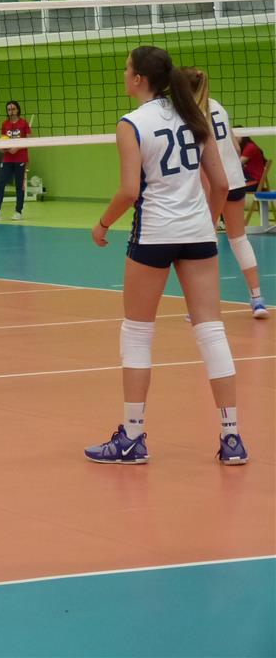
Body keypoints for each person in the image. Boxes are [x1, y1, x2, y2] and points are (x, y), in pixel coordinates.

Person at [87, 46, 248, 466]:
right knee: (211, 330)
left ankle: (132, 438)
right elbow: (221, 184)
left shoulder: (131, 124)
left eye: (127, 69)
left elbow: (129, 191)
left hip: (155, 234)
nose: (124, 74)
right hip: (198, 235)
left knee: (137, 333)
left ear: (139, 78)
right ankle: (232, 437)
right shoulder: (194, 116)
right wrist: (206, 224)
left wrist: (102, 224)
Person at [184, 68, 267, 319]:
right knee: (238, 239)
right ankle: (257, 300)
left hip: (213, 183)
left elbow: (200, 160)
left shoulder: (189, 114)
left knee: (204, 244)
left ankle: (202, 308)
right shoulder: (216, 106)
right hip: (234, 179)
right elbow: (234, 146)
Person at [0, 100, 30, 221]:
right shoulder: (5, 124)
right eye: (9, 109)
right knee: (0, 183)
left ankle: (18, 212)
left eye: (13, 109)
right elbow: (3, 139)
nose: (11, 111)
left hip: (20, 158)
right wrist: (2, 148)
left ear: (18, 110)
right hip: (7, 158)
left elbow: (29, 140)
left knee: (19, 185)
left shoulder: (23, 123)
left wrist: (16, 148)